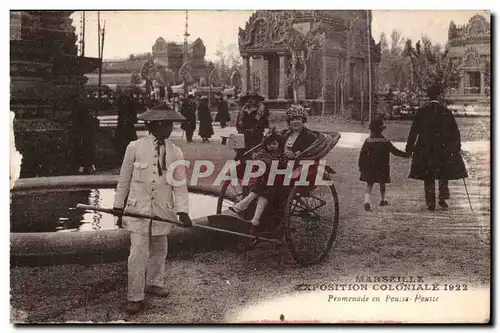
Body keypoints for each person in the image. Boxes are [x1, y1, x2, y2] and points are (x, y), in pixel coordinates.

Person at [113, 103, 193, 315]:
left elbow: (180, 184)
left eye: (171, 125)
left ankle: (155, 283)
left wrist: (183, 211)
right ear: (154, 125)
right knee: (138, 253)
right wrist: (118, 206)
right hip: (137, 209)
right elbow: (124, 179)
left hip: (162, 211)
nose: (170, 129)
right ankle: (135, 296)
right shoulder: (135, 147)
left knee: (160, 248)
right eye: (166, 125)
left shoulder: (175, 152)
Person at [405, 85, 468, 211]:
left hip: (425, 148)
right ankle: (443, 197)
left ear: (429, 97)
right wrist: (456, 147)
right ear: (439, 96)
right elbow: (455, 132)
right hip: (442, 149)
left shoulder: (421, 112)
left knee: (428, 175)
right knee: (443, 172)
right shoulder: (446, 112)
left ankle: (430, 202)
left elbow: (413, 131)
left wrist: (409, 148)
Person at [224, 132, 287, 226]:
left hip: (278, 179)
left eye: (274, 144)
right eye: (269, 145)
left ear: (279, 144)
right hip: (264, 180)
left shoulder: (281, 155)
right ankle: (253, 216)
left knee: (264, 188)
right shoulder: (263, 153)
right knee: (262, 188)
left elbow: (283, 167)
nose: (272, 147)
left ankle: (243, 207)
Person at [359, 118, 410, 211]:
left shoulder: (368, 141)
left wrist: (361, 166)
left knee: (369, 184)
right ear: (382, 130)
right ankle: (382, 200)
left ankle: (367, 201)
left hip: (370, 167)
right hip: (382, 167)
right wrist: (406, 155)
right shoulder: (385, 141)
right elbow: (395, 151)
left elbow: (362, 155)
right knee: (382, 183)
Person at [115, 91, 138, 159]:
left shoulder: (130, 106)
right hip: (122, 127)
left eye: (124, 100)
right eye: (122, 100)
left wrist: (129, 120)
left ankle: (130, 155)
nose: (123, 101)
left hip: (128, 127)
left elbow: (134, 118)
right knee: (121, 142)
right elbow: (119, 117)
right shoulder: (121, 107)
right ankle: (122, 155)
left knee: (129, 142)